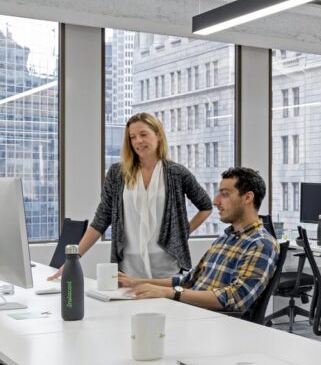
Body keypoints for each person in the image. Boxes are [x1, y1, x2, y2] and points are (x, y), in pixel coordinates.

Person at [50, 112, 212, 281]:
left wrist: (182, 233)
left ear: (158, 134)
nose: (138, 141)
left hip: (168, 269)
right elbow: (101, 220)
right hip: (128, 269)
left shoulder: (177, 173)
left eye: (143, 134)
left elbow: (206, 206)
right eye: (132, 137)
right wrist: (74, 258)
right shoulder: (117, 173)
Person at [120, 167, 280, 313]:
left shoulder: (261, 243)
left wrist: (169, 293)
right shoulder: (226, 238)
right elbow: (188, 280)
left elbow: (235, 298)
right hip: (189, 311)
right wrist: (135, 282)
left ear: (247, 198)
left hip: (211, 323)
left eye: (224, 194)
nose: (215, 201)